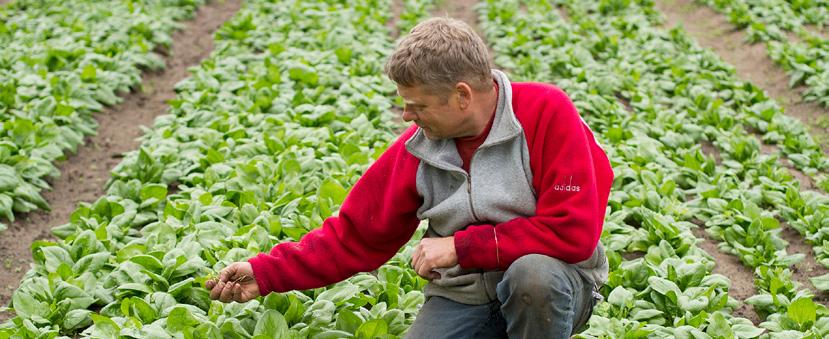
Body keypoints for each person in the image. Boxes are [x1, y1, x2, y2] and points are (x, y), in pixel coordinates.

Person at [205, 17, 613, 338]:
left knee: (533, 277)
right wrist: (265, 273)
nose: (406, 116)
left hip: (554, 289)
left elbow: (572, 232)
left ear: (462, 96)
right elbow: (354, 236)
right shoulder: (418, 148)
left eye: (417, 106)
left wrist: (462, 246)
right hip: (464, 294)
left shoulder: (546, 114)